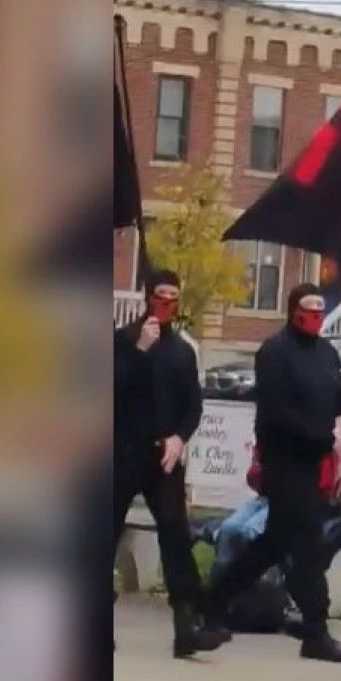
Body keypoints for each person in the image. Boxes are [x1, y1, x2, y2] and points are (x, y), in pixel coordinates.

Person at [203, 283, 341, 663]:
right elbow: (279, 413)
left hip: (313, 463)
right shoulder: (274, 352)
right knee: (306, 545)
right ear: (293, 310)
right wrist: (326, 438)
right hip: (284, 462)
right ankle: (316, 631)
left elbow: (328, 403)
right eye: (308, 307)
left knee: (272, 545)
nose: (315, 315)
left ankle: (212, 602)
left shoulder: (327, 353)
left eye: (320, 308)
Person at [113, 269, 228, 658]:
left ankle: (187, 623)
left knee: (175, 531)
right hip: (122, 450)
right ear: (148, 298)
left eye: (173, 298)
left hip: (163, 454)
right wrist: (139, 350)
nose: (166, 304)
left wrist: (180, 438)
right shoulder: (122, 341)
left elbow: (193, 405)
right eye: (160, 296)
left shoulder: (182, 351)